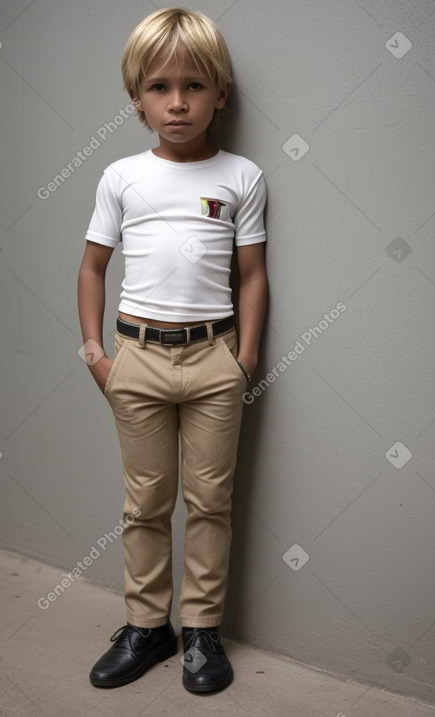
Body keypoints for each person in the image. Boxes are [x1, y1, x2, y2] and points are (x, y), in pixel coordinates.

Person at [77, 7, 267, 694]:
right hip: (136, 359)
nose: (177, 101)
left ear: (220, 93)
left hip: (214, 361)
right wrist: (98, 354)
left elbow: (251, 275)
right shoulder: (121, 176)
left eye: (194, 85)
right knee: (146, 503)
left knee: (211, 501)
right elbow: (93, 265)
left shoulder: (242, 175)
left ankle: (202, 630)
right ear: (136, 97)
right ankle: (146, 626)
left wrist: (243, 360)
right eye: (159, 86)